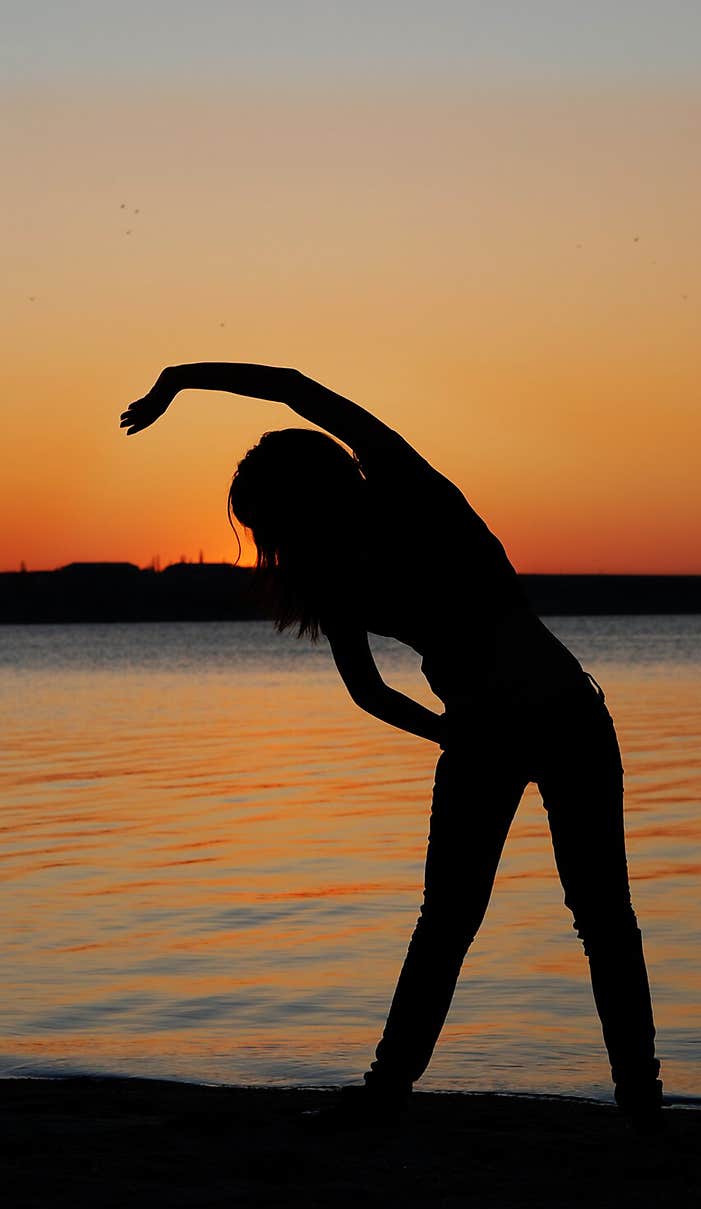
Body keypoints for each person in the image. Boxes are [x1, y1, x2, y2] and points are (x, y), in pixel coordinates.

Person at [121, 363, 662, 1132]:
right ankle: (632, 1102)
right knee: (568, 916)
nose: (271, 542)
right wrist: (454, 734)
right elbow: (369, 691)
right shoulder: (352, 555)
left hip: (539, 721)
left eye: (268, 523)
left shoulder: (401, 489)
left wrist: (178, 378)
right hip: (532, 718)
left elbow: (296, 389)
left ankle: (397, 1089)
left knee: (493, 916)